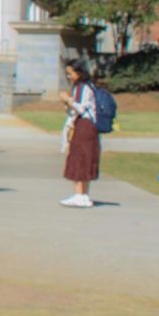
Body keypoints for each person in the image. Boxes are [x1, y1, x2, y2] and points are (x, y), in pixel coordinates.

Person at [59, 58, 99, 208]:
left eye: (71, 73)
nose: (69, 76)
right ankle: (83, 195)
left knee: (79, 158)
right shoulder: (89, 86)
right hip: (89, 126)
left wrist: (67, 99)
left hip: (84, 125)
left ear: (79, 72)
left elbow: (80, 108)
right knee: (85, 158)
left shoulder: (82, 87)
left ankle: (79, 195)